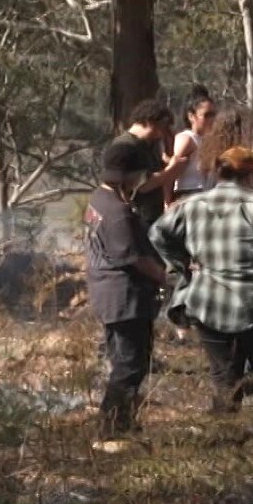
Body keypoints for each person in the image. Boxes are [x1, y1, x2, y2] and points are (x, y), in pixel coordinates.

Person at [150, 147, 253, 470]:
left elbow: (157, 233)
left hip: (208, 308)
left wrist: (182, 268)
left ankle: (225, 457)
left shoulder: (191, 205)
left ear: (219, 173)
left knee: (224, 383)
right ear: (251, 175)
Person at [85, 140, 169, 445]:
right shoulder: (118, 211)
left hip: (109, 294)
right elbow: (132, 257)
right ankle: (110, 427)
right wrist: (164, 276)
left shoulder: (99, 199)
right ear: (129, 175)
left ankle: (123, 421)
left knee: (126, 359)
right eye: (140, 174)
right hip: (125, 296)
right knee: (130, 364)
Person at [108, 99, 177, 227]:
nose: (162, 133)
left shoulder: (149, 144)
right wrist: (172, 170)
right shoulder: (123, 147)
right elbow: (142, 185)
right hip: (136, 219)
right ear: (149, 122)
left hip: (152, 216)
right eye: (162, 127)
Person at [169, 87, 215, 203]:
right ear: (191, 116)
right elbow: (170, 173)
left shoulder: (207, 140)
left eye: (213, 114)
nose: (211, 119)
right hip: (188, 194)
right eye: (206, 115)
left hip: (205, 193)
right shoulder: (187, 139)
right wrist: (167, 202)